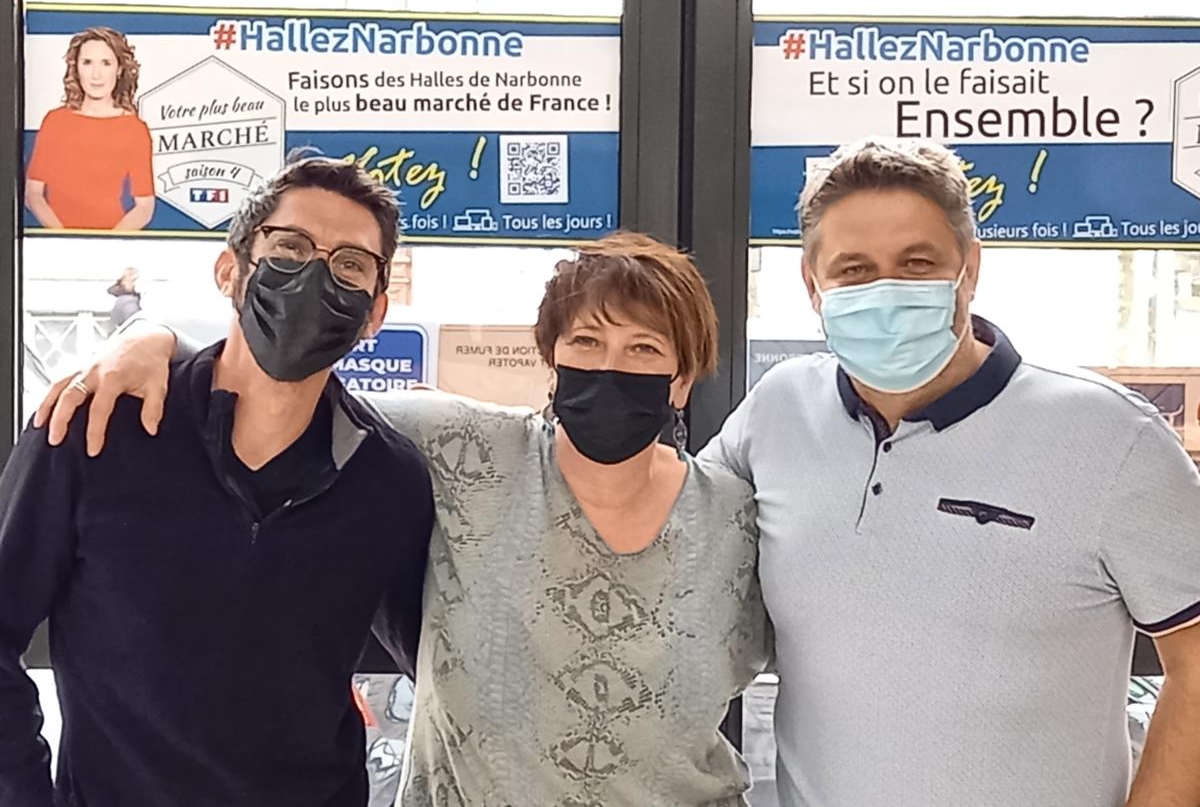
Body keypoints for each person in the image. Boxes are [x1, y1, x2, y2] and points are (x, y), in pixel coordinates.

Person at [36, 232, 770, 806]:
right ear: (550, 358)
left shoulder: (739, 518)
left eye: (645, 349)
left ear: (682, 378)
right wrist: (157, 335)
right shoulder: (466, 454)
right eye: (587, 342)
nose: (611, 366)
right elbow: (284, 386)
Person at [699, 138, 1200, 807]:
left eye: (916, 263)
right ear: (812, 285)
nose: (886, 290)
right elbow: (664, 531)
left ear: (969, 269)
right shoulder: (776, 411)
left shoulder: (1115, 439)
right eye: (854, 269)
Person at [0, 155, 435, 806]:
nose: (316, 276)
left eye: (349, 264)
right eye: (289, 248)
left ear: (374, 313)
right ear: (230, 270)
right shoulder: (91, 431)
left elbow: (439, 660)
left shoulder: (389, 480)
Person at [25, 26, 156, 231]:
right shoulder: (55, 122)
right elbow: (33, 194)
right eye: (87, 63)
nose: (96, 75)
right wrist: (63, 237)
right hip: (56, 241)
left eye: (106, 63)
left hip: (113, 239)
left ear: (119, 68)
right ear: (75, 67)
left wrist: (106, 243)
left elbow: (145, 206)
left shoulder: (134, 129)